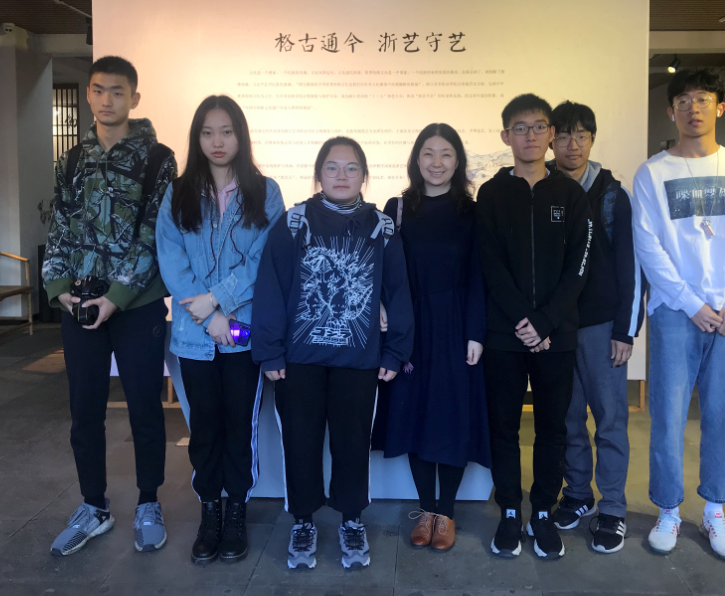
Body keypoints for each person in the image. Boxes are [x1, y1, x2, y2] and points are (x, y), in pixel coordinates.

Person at [252, 137, 414, 571]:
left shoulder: (382, 228)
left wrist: (395, 351)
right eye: (332, 167)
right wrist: (270, 352)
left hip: (359, 360)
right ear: (318, 174)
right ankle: (303, 521)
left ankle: (351, 519)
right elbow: (271, 286)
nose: (342, 175)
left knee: (352, 443)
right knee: (300, 442)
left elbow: (399, 292)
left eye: (351, 167)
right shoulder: (293, 222)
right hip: (299, 360)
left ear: (364, 175)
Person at [42, 56, 177, 556]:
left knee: (145, 406)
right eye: (98, 90)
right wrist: (58, 288)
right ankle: (93, 505)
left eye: (117, 92)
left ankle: (148, 502)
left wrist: (115, 299)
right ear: (88, 95)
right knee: (84, 410)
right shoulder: (71, 160)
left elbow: (153, 235)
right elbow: (60, 225)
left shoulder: (158, 159)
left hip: (136, 305)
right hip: (79, 303)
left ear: (134, 98)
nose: (106, 100)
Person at [633, 68, 725, 561]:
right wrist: (691, 304)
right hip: (676, 312)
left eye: (704, 99)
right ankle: (669, 510)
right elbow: (648, 245)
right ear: (671, 110)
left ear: (720, 108)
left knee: (722, 416)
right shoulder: (653, 173)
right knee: (667, 416)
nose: (694, 108)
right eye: (684, 100)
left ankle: (714, 510)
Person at [156, 95, 284, 564]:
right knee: (204, 426)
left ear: (240, 135)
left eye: (226, 131)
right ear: (197, 138)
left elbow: (264, 259)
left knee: (239, 427)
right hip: (195, 337)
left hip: (243, 334)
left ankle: (236, 513)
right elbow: (172, 260)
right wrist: (208, 315)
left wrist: (218, 301)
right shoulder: (178, 193)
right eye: (208, 132)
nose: (217, 141)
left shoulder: (265, 191)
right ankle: (209, 510)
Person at [478, 93, 593, 561]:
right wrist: (523, 322)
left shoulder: (571, 195)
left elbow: (578, 268)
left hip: (556, 337)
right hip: (504, 336)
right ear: (506, 135)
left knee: (552, 429)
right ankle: (509, 510)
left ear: (551, 134)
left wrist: (544, 323)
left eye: (539, 126)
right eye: (520, 128)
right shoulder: (490, 194)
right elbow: (490, 265)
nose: (530, 135)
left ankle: (542, 510)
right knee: (503, 427)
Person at [379, 123, 490, 552]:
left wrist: (475, 332)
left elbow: (480, 275)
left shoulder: (472, 212)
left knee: (452, 416)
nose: (437, 162)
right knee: (415, 414)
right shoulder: (397, 208)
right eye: (428, 153)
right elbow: (383, 270)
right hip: (410, 327)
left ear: (458, 161)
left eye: (446, 154)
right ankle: (426, 509)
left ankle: (447, 512)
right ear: (416, 159)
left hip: (456, 326)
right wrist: (384, 310)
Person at [547, 101, 645, 554]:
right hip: (557, 326)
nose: (573, 145)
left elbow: (631, 266)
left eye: (581, 135)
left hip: (602, 327)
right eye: (565, 135)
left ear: (592, 140)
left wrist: (626, 330)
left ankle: (613, 509)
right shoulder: (541, 188)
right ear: (552, 139)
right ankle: (577, 494)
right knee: (567, 419)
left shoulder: (611, 196)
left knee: (609, 421)